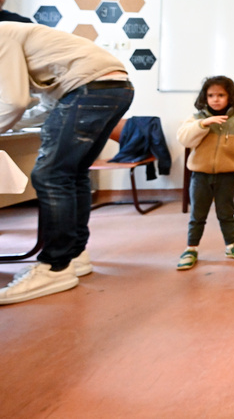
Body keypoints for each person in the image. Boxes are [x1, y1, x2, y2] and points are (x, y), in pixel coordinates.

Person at [0, 23, 134, 304]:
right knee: (73, 173)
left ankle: (54, 266)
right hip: (115, 87)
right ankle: (74, 255)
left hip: (91, 88)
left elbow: (13, 102)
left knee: (51, 175)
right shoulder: (22, 37)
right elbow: (44, 106)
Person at [175, 76, 234, 270]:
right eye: (211, 95)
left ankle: (232, 245)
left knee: (227, 214)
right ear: (205, 97)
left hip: (226, 177)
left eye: (221, 95)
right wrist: (203, 125)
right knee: (197, 215)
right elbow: (184, 139)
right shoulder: (196, 120)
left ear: (231, 97)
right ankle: (191, 248)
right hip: (200, 177)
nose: (216, 99)